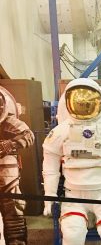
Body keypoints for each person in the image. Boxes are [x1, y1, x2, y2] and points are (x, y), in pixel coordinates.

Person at [42, 78, 101, 245]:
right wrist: (49, 195)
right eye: (78, 101)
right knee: (72, 234)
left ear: (100, 102)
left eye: (88, 101)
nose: (83, 105)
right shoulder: (61, 131)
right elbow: (50, 165)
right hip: (74, 194)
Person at [0, 86, 35, 245]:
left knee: (13, 212)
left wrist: (10, 144)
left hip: (6, 171)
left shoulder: (7, 120)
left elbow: (28, 135)